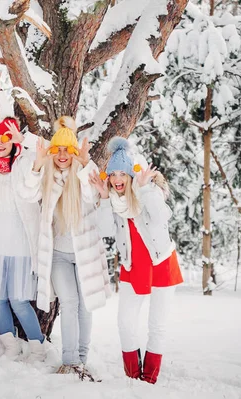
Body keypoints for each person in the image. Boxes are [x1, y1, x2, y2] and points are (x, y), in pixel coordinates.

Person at [20, 116, 111, 375]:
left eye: (67, 150)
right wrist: (37, 165)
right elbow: (27, 193)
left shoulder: (84, 176)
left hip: (85, 255)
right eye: (57, 150)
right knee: (69, 301)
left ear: (73, 152)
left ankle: (82, 357)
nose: (62, 155)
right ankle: (70, 359)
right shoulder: (47, 177)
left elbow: (93, 194)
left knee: (85, 304)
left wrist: (84, 162)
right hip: (58, 255)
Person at [88, 137, 183, 384]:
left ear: (131, 175)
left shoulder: (148, 192)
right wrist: (105, 198)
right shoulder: (112, 199)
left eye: (122, 174)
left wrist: (144, 189)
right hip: (133, 266)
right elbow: (106, 230)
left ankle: (148, 380)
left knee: (157, 325)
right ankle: (132, 376)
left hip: (161, 262)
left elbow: (163, 216)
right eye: (113, 174)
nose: (117, 179)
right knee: (125, 323)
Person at [0, 117, 46, 361]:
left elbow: (43, 150)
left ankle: (37, 347)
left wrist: (23, 140)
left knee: (19, 300)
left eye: (6, 137)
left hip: (20, 237)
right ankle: (11, 346)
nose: (0, 142)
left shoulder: (24, 160)